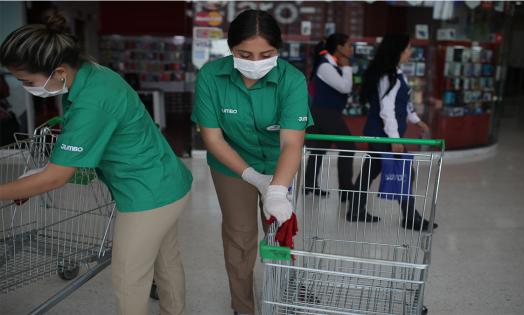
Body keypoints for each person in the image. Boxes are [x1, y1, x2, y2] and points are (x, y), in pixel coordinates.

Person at [0, 14, 193, 315]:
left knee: (129, 277)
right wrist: (40, 174)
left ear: (60, 72)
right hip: (167, 180)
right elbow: (77, 152)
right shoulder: (91, 72)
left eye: (27, 81)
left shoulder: (92, 100)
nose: (25, 87)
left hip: (147, 195)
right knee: (166, 260)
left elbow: (56, 178)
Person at [191, 10, 312, 315]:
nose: (255, 62)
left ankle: (284, 292)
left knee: (280, 231)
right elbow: (214, 140)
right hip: (232, 164)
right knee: (240, 236)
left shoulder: (292, 80)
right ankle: (243, 307)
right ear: (231, 49)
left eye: (266, 54)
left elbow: (291, 143)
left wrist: (275, 189)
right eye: (245, 54)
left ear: (278, 51)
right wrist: (252, 177)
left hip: (280, 163)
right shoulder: (211, 77)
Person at [349, 33, 438, 230]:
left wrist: (417, 120)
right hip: (382, 134)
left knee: (369, 172)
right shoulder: (387, 76)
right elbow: (387, 110)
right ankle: (410, 218)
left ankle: (355, 210)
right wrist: (395, 139)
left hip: (377, 133)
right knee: (405, 172)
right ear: (397, 51)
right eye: (408, 49)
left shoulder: (395, 73)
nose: (410, 52)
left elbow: (403, 103)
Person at [303, 33, 356, 202]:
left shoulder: (333, 64)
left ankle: (310, 185)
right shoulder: (326, 66)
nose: (351, 48)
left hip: (327, 112)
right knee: (348, 145)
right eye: (348, 45)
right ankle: (346, 190)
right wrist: (347, 67)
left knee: (319, 148)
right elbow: (344, 87)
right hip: (325, 112)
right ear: (339, 47)